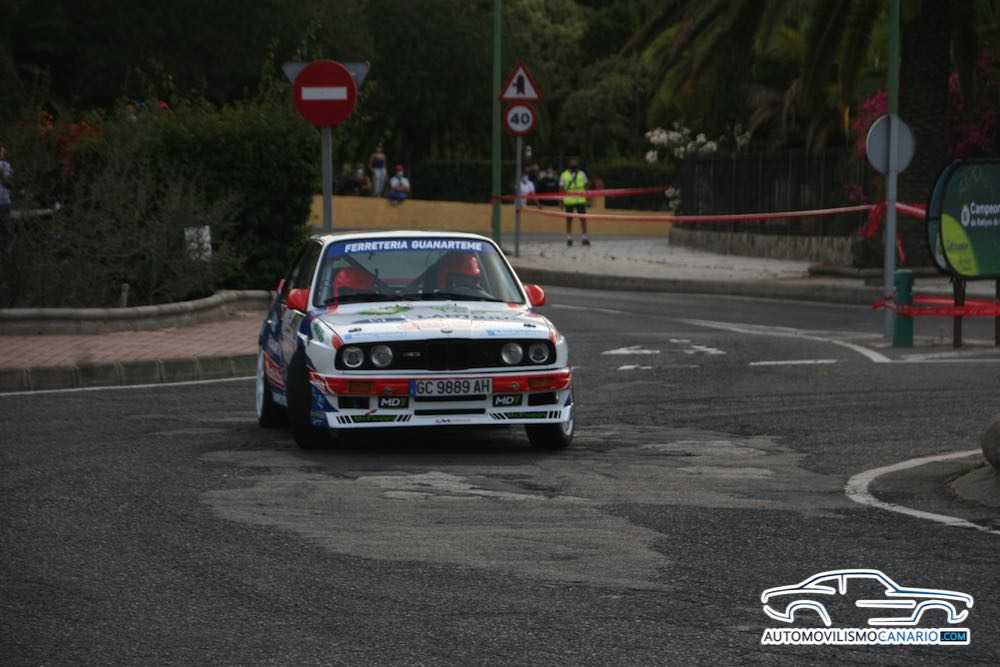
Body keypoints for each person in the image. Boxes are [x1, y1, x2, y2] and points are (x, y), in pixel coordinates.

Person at [559, 157, 589, 246]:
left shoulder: (582, 173)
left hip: (580, 200)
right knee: (569, 220)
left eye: (575, 162)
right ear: (568, 164)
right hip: (569, 200)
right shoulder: (564, 175)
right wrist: (561, 201)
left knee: (583, 219)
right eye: (572, 162)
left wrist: (585, 194)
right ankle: (569, 238)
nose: (573, 164)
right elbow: (561, 189)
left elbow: (586, 184)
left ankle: (584, 238)